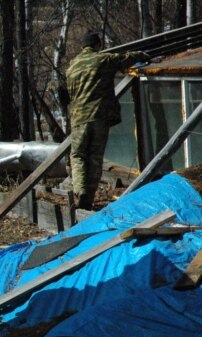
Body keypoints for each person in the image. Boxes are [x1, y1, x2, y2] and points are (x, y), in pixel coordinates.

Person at [66, 31, 153, 210]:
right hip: (99, 116)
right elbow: (125, 58)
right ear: (97, 45)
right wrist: (144, 55)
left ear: (83, 47)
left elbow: (71, 94)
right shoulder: (103, 59)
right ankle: (88, 198)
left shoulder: (72, 66)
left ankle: (80, 191)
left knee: (78, 155)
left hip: (79, 118)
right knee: (96, 158)